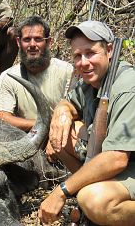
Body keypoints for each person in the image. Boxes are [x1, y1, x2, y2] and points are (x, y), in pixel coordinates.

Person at [39, 20, 135, 225]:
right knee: (62, 134)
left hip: (126, 162)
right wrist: (61, 112)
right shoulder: (93, 80)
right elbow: (70, 102)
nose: (83, 62)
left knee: (93, 199)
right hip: (122, 163)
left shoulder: (128, 87)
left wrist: (62, 190)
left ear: (109, 50)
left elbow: (117, 159)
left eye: (90, 53)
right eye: (77, 56)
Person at [0, 15, 74, 132]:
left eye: (38, 39)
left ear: (48, 42)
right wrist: (43, 125)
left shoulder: (67, 71)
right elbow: (2, 117)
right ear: (18, 42)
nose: (32, 45)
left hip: (61, 132)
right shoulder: (9, 76)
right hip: (28, 136)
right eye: (27, 39)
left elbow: (75, 110)